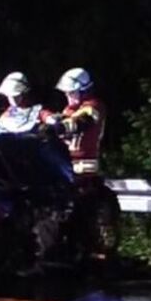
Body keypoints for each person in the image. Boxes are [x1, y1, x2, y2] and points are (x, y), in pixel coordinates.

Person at [54, 66, 115, 258]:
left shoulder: (94, 106)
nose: (68, 96)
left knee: (83, 212)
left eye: (71, 92)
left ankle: (93, 247)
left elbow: (83, 122)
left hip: (85, 170)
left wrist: (61, 126)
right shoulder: (68, 110)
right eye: (66, 93)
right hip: (65, 168)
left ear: (83, 90)